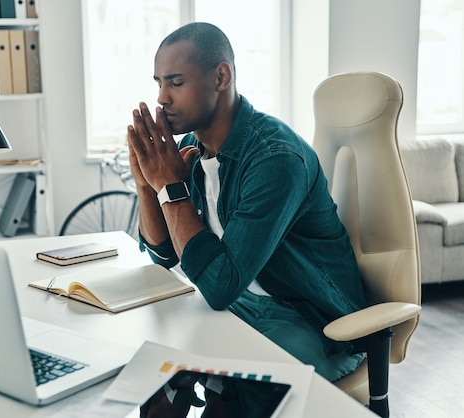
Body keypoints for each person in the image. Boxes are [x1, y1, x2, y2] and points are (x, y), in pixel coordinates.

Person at [127, 22, 367, 415]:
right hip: (238, 307)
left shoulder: (274, 158)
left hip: (308, 320)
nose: (161, 98)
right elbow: (166, 255)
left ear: (221, 77)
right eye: (158, 83)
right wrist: (147, 186)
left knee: (238, 398)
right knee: (152, 378)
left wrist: (171, 189)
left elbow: (221, 285)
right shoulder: (190, 148)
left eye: (175, 82)